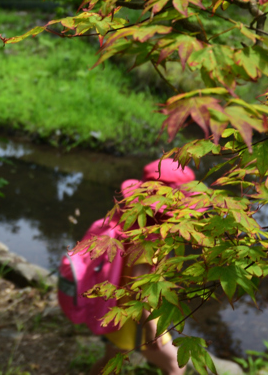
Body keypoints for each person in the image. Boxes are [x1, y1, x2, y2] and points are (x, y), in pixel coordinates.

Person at [88, 159, 196, 375]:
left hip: (116, 310)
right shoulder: (151, 241)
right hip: (136, 319)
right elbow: (139, 285)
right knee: (176, 366)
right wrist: (151, 327)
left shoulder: (132, 221)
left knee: (110, 362)